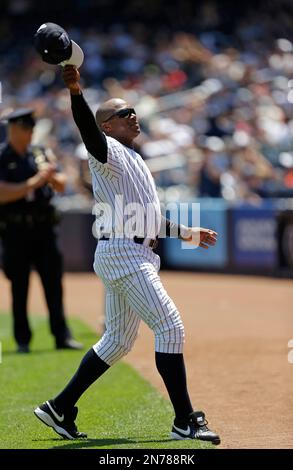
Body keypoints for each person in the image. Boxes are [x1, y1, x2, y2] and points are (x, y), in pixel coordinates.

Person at [34, 65, 220, 445]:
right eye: (123, 113)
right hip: (124, 253)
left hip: (131, 249)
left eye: (133, 110)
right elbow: (87, 130)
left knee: (117, 341)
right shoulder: (108, 152)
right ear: (107, 126)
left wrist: (185, 232)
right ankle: (185, 419)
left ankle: (59, 407)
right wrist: (75, 91)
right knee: (170, 327)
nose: (133, 116)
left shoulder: (135, 159)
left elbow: (147, 218)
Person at [0, 109, 83, 353]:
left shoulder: (40, 152)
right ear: (13, 129)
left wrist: (51, 177)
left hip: (45, 228)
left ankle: (62, 336)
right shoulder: (2, 157)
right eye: (25, 128)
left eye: (31, 128)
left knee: (53, 285)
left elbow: (61, 183)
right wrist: (36, 180)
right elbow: (2, 193)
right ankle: (22, 339)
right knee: (19, 286)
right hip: (15, 230)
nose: (29, 133)